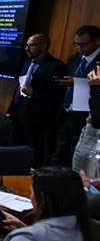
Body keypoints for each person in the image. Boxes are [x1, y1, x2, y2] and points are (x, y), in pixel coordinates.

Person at [7, 33, 68, 167]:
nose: (27, 49)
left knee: (34, 152)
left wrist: (34, 94)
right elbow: (19, 87)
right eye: (26, 45)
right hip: (20, 113)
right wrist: (11, 109)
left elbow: (56, 95)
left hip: (38, 118)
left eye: (31, 45)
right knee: (16, 148)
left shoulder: (56, 66)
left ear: (44, 46)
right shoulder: (27, 63)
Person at [52, 25, 100, 166]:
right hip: (67, 112)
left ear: (97, 41)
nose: (79, 48)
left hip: (87, 116)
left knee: (76, 156)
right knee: (59, 152)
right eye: (76, 44)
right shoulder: (75, 58)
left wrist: (78, 82)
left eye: (83, 44)